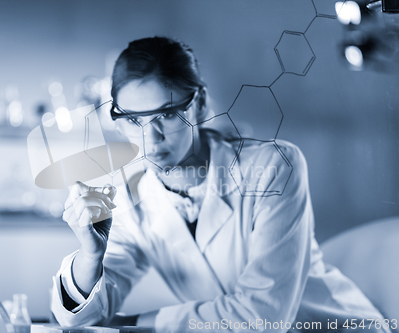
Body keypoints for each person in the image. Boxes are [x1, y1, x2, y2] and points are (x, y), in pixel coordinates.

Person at [51, 37, 391, 332]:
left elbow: (263, 317)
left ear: (198, 105)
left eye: (167, 115)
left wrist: (135, 324)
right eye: (133, 120)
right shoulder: (133, 197)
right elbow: (82, 316)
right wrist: (91, 254)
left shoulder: (272, 167)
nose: (149, 138)